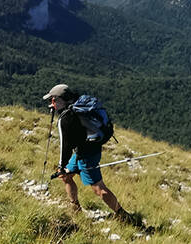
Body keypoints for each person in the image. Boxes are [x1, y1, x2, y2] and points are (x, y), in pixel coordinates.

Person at [44, 83, 137, 224]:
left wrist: (61, 166)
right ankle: (75, 208)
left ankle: (124, 217)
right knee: (66, 176)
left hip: (86, 155)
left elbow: (65, 147)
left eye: (54, 100)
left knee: (98, 188)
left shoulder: (65, 118)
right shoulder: (78, 105)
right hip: (89, 148)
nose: (52, 103)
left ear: (61, 100)